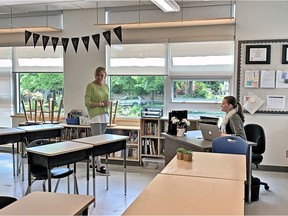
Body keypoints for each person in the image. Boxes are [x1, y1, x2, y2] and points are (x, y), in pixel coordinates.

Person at [85, 66, 110, 175]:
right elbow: (87, 103)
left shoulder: (106, 86)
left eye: (102, 75)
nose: (99, 77)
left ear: (105, 76)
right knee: (97, 142)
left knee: (100, 140)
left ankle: (93, 161)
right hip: (95, 116)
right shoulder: (90, 86)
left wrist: (107, 103)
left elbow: (105, 99)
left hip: (104, 115)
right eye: (98, 75)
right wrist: (101, 104)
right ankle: (99, 166)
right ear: (95, 75)